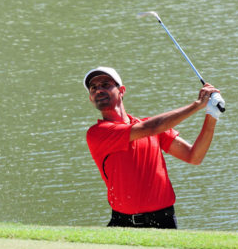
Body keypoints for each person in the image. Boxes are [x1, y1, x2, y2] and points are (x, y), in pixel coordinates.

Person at [83, 66, 225, 229]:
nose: (98, 90)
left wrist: (212, 114)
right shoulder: (98, 133)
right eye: (93, 88)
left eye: (105, 84)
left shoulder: (152, 127)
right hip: (124, 223)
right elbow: (150, 128)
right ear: (91, 98)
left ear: (121, 91)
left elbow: (194, 156)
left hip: (164, 221)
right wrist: (197, 105)